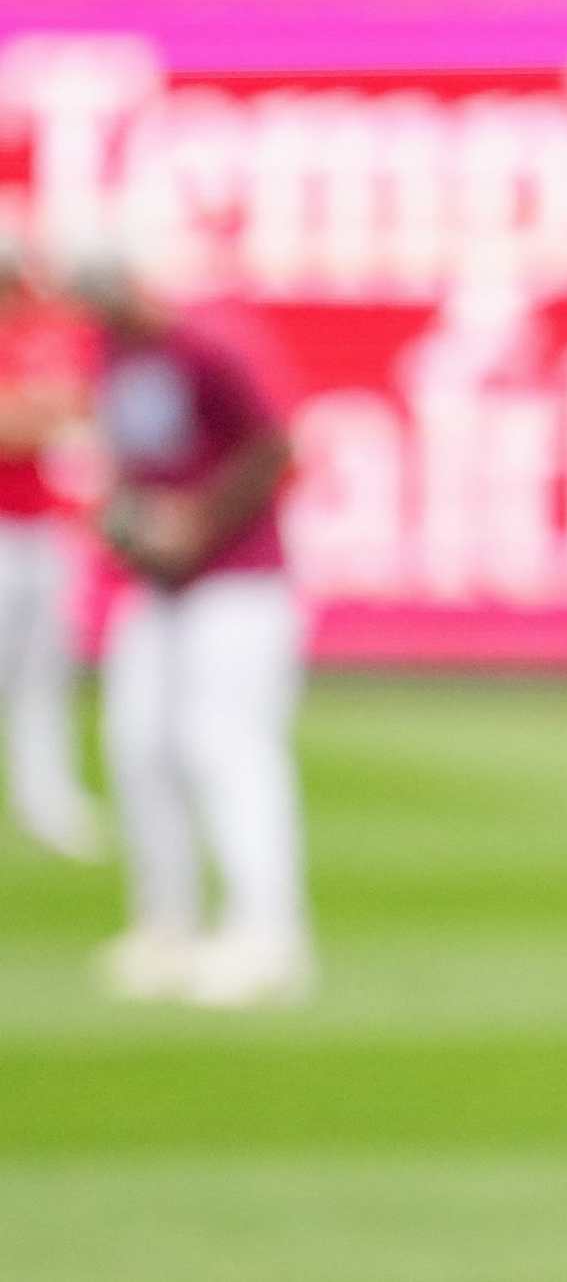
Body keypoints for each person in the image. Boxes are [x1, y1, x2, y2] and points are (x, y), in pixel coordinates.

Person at [72, 251, 313, 1009]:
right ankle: (166, 925)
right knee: (138, 742)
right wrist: (124, 518)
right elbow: (130, 456)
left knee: (228, 747)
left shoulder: (206, 347)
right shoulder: (112, 350)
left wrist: (198, 521)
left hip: (239, 583)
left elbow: (276, 447)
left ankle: (268, 934)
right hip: (160, 586)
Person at [0, 232, 97, 862]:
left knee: (44, 677)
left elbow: (79, 407)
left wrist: (36, 414)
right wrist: (39, 414)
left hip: (44, 527)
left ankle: (48, 799)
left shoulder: (48, 330)